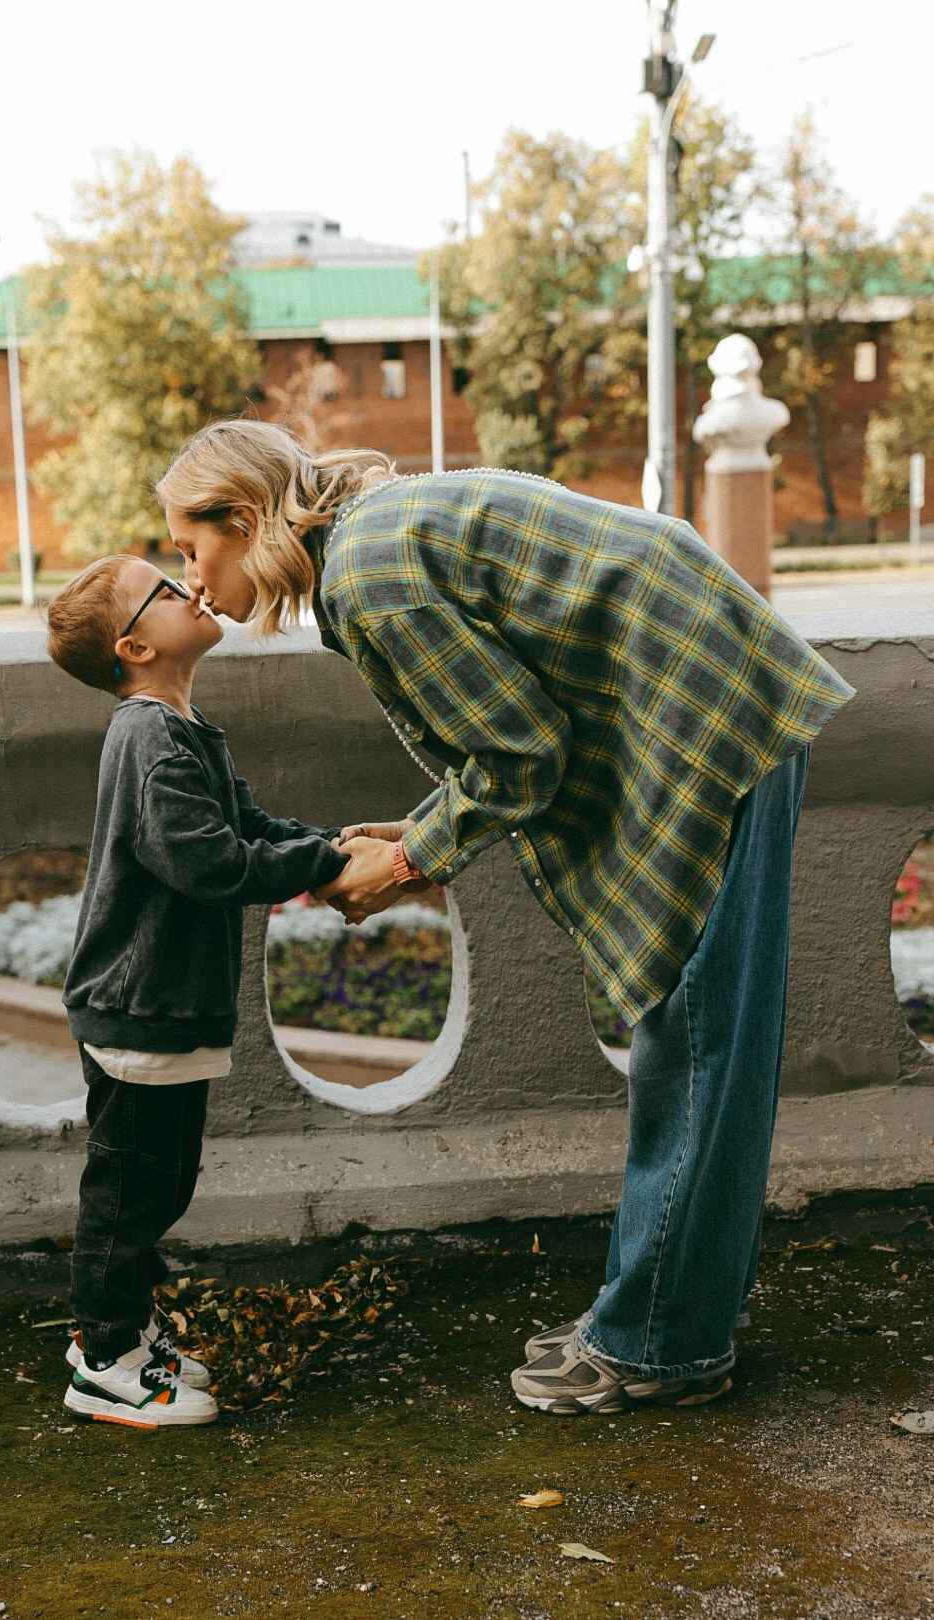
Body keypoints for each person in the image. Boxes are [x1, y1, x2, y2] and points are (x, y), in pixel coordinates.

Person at [154, 419, 855, 1418]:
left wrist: (410, 862)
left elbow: (524, 757)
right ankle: (667, 1312)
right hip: (708, 690)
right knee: (696, 1039)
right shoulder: (373, 537)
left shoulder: (368, 578)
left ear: (243, 517)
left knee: (697, 1041)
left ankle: (662, 1344)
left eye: (190, 548)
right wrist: (419, 833)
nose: (190, 579)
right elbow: (516, 725)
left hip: (705, 711)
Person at [45, 553, 347, 1427]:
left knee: (165, 1182)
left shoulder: (184, 726)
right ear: (136, 646)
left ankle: (123, 1333)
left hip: (169, 1006)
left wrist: (334, 846)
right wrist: (326, 866)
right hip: (138, 1004)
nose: (192, 587)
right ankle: (103, 1359)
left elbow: (248, 827)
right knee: (128, 1194)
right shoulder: (149, 736)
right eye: (167, 589)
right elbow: (208, 861)